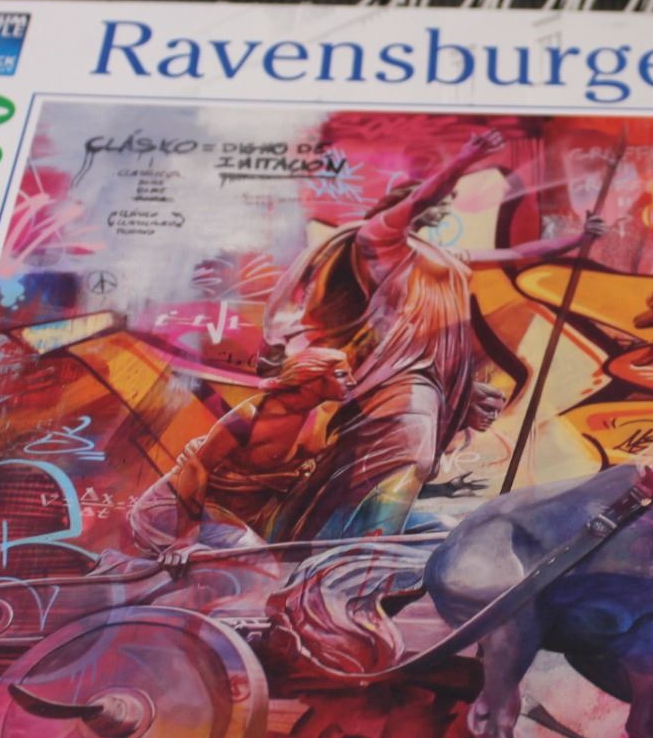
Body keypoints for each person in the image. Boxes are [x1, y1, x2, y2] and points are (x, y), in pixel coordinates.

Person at [267, 128, 606, 542]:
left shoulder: (433, 254)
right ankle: (369, 547)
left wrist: (578, 240)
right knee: (407, 455)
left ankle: (358, 540)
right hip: (397, 373)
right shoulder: (376, 238)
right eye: (440, 200)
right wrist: (466, 159)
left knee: (400, 460)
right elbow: (421, 199)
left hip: (430, 374)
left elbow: (516, 254)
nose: (445, 206)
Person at [123, 344, 353, 603]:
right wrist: (186, 539)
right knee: (260, 569)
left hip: (227, 514)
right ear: (312, 379)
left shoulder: (324, 411)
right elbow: (196, 467)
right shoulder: (250, 417)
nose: (351, 381)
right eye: (341, 375)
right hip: (176, 508)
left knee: (250, 573)